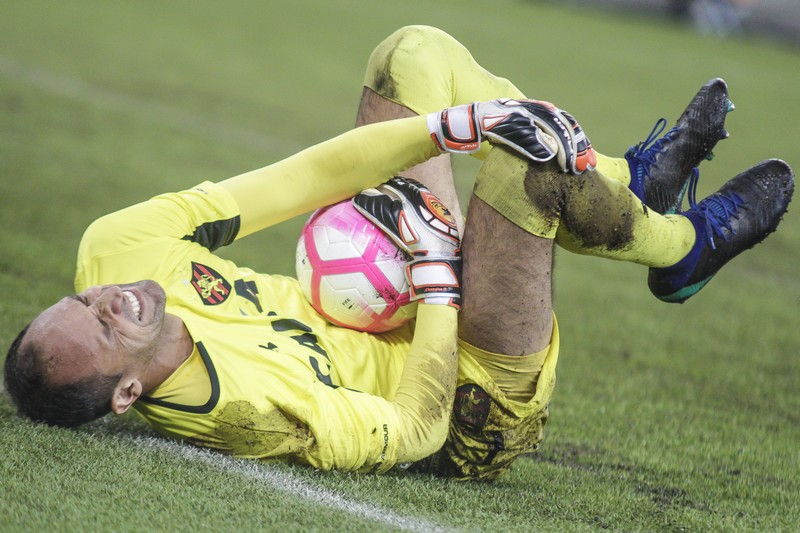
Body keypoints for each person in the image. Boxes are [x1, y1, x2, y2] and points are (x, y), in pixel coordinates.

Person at [3, 26, 793, 481]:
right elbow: (416, 429)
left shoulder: (112, 252)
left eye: (80, 301)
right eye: (104, 331)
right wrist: (436, 280)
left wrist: (453, 128)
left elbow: (298, 178)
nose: (106, 301)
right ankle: (683, 247)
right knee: (532, 166)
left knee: (408, 57)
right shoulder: (240, 413)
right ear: (126, 394)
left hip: (389, 277)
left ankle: (629, 180)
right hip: (469, 395)